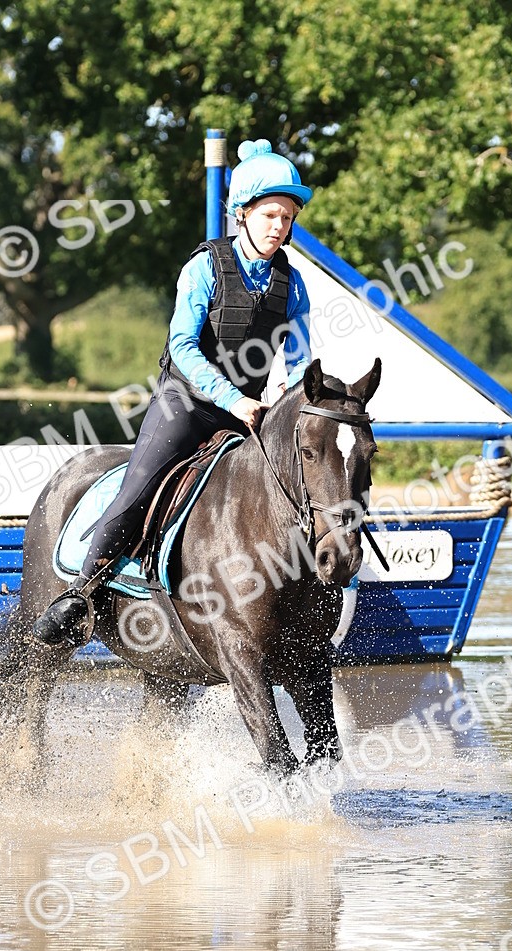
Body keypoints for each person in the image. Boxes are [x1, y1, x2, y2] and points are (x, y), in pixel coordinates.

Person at [33, 138, 313, 646]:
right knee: (137, 489)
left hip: (247, 416)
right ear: (243, 213)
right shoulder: (204, 267)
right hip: (186, 406)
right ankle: (80, 592)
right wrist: (233, 398)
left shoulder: (291, 285)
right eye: (270, 214)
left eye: (287, 217)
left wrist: (291, 404)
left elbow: (299, 362)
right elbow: (183, 346)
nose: (278, 226)